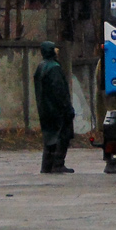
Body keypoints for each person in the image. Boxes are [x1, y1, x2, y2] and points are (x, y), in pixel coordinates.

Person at [33, 41, 75, 174]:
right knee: (63, 135)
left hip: (44, 109)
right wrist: (67, 108)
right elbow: (60, 91)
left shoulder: (40, 67)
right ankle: (58, 164)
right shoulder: (54, 68)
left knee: (49, 137)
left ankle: (47, 165)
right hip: (56, 110)